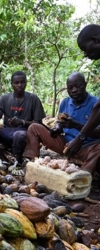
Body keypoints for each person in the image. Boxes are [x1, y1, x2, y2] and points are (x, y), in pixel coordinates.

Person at [24, 72, 100, 176]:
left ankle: (83, 176)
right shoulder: (65, 102)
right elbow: (60, 122)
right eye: (70, 87)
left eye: (78, 86)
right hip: (66, 146)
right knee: (34, 128)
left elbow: (98, 133)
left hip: (87, 147)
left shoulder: (95, 104)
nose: (74, 90)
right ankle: (32, 163)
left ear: (85, 84)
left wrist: (76, 125)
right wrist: (56, 129)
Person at [0, 71, 46, 165]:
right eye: (16, 83)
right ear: (12, 84)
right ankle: (3, 159)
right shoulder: (4, 98)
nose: (19, 85)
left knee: (18, 135)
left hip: (24, 133)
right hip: (6, 131)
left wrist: (22, 122)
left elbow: (38, 124)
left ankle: (18, 160)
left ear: (26, 83)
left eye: (22, 82)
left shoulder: (33, 99)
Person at [64, 24, 100, 158]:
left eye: (85, 49)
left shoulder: (92, 101)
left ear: (96, 40)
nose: (85, 54)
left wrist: (80, 137)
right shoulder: (66, 102)